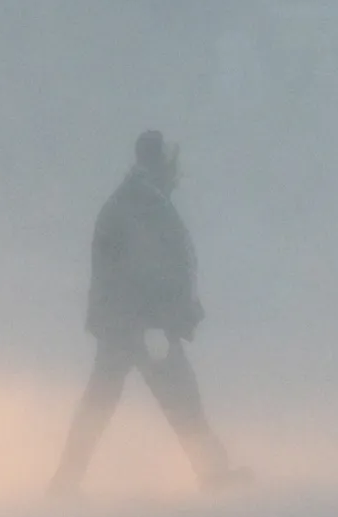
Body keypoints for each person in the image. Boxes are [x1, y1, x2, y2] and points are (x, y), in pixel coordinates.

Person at [49, 131, 246, 496]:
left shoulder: (132, 198)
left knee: (101, 403)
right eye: (173, 168)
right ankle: (213, 474)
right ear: (161, 164)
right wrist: (164, 318)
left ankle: (64, 484)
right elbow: (157, 266)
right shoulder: (146, 203)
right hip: (142, 323)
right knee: (180, 396)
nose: (177, 176)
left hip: (123, 321)